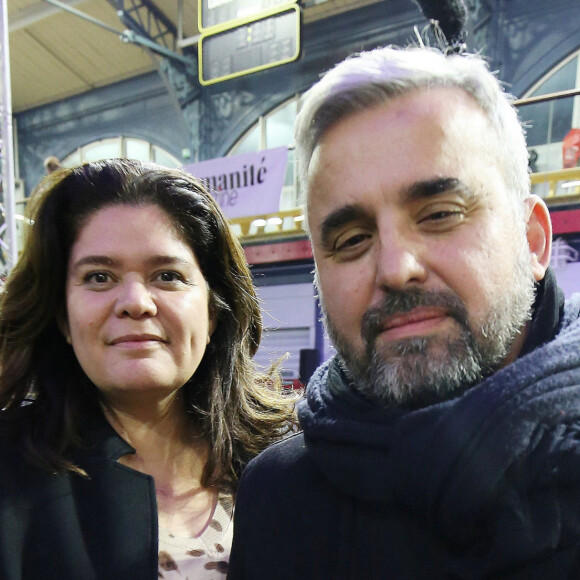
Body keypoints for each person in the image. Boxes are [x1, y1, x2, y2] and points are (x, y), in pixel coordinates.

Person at [228, 46, 580, 579]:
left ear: (533, 241)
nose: (395, 268)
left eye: (440, 214)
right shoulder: (278, 499)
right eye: (350, 239)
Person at [0, 158, 297, 579]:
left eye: (167, 276)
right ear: (63, 318)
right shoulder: (10, 474)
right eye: (100, 277)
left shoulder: (293, 464)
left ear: (213, 312)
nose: (136, 302)